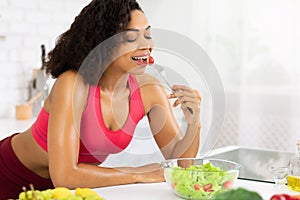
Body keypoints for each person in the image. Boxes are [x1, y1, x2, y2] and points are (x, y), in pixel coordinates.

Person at [0, 0, 201, 199]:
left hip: (66, 192)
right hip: (9, 176)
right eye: (131, 38)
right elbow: (65, 176)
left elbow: (179, 166)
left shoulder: (150, 91)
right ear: (103, 43)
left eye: (148, 35)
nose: (146, 45)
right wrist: (137, 174)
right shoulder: (72, 85)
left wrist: (194, 124)